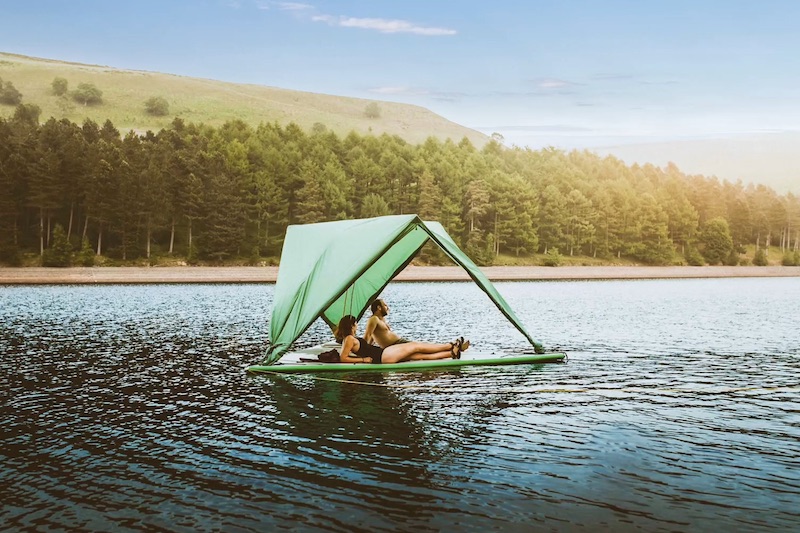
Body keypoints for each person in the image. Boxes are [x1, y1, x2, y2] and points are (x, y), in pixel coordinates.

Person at [334, 315, 469, 364]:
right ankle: (450, 345)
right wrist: (363, 360)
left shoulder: (350, 339)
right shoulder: (349, 339)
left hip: (383, 355)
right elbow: (343, 358)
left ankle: (452, 353)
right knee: (416, 346)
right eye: (356, 324)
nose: (357, 326)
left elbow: (361, 348)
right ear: (351, 325)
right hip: (383, 356)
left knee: (417, 356)